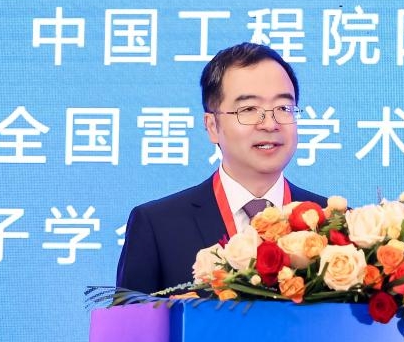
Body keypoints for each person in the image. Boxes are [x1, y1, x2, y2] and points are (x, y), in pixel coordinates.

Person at [116, 43, 326, 294]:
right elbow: (132, 320)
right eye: (249, 109)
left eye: (283, 108)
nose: (270, 124)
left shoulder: (335, 224)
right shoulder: (158, 226)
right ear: (212, 126)